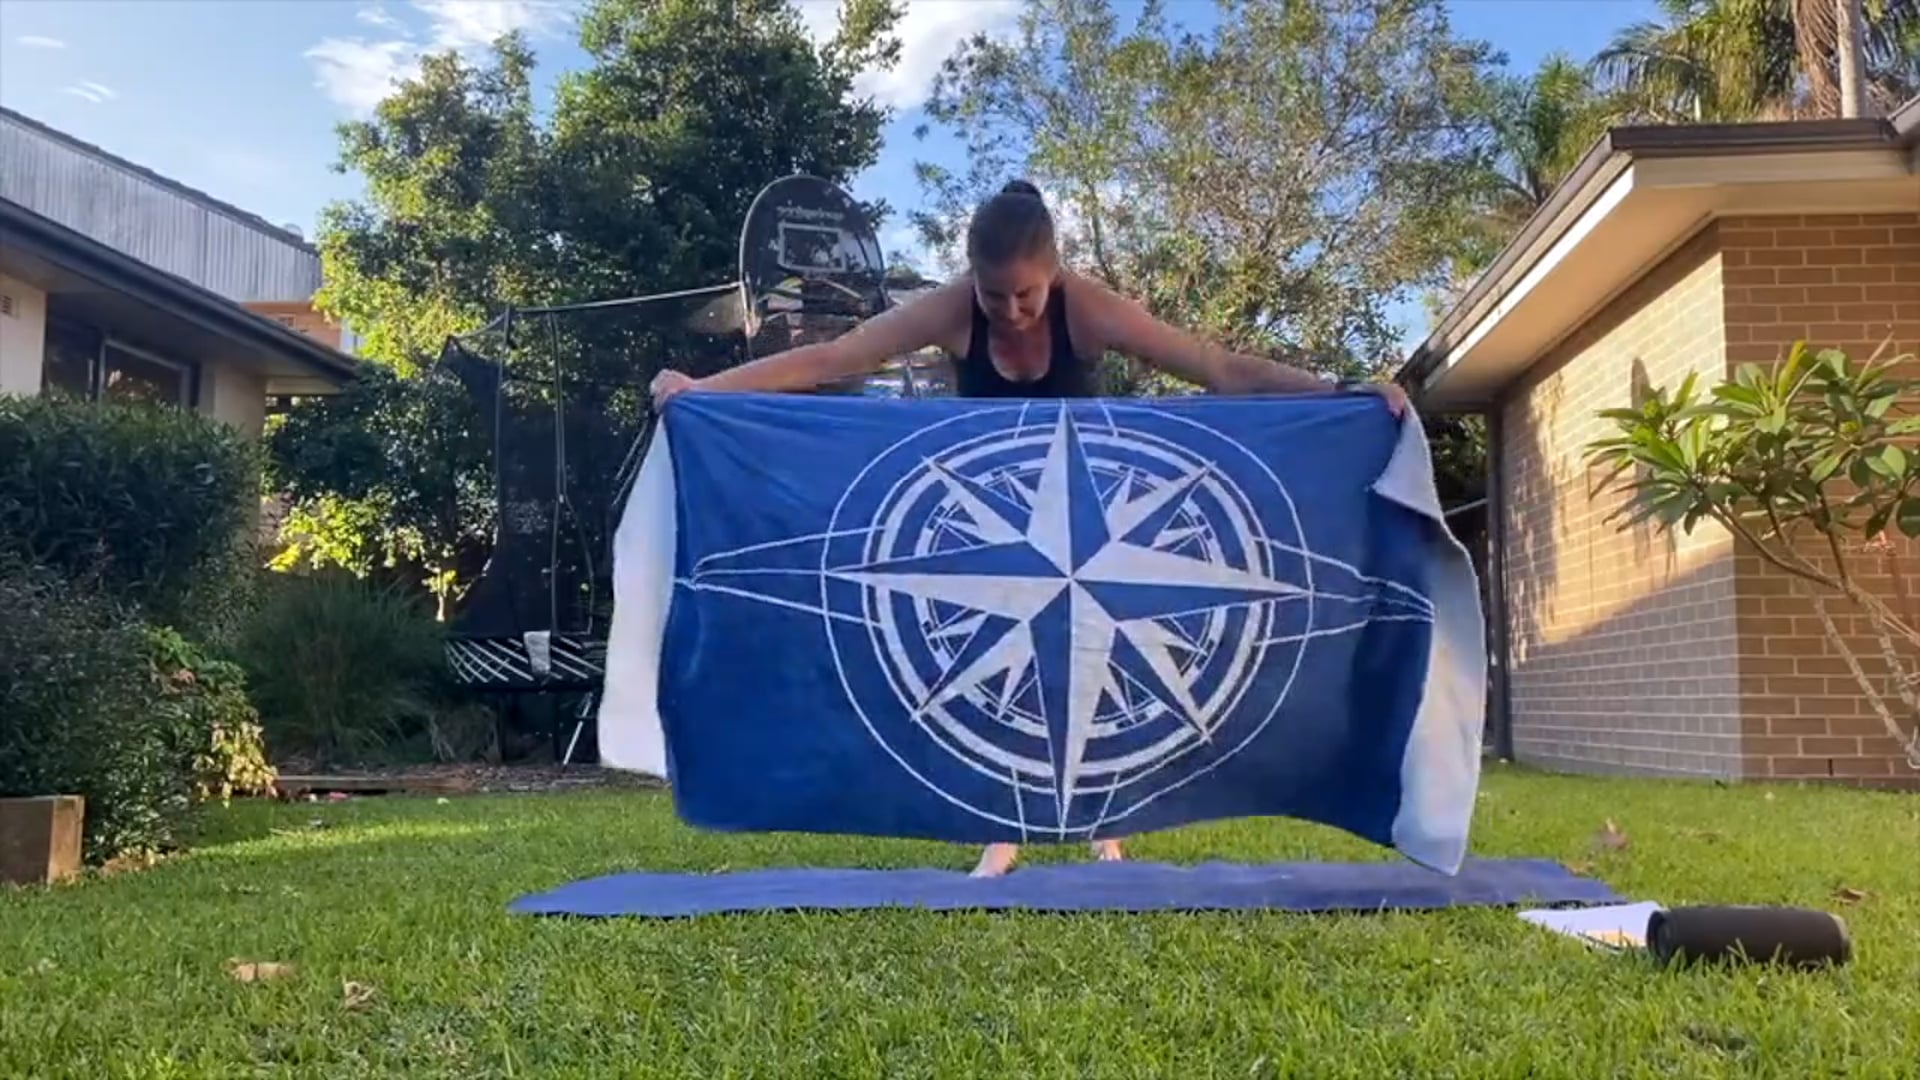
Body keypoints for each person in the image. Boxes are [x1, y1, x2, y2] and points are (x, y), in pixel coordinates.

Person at [650, 180, 1407, 878]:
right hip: (1000, 508)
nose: (1009, 310)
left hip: (1096, 515)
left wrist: (1340, 392)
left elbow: (1217, 369)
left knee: (1100, 666)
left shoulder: (1091, 307)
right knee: (996, 668)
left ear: (1055, 273)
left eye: (1026, 295)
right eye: (993, 295)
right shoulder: (951, 310)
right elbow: (831, 357)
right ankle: (1000, 828)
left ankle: (1107, 824)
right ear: (970, 277)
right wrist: (699, 390)